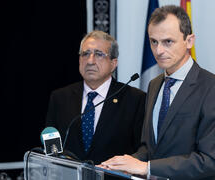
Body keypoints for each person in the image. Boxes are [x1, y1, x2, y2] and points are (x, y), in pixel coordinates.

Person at [100, 5, 215, 180]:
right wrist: (124, 163)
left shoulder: (214, 88)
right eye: (154, 41)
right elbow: (150, 148)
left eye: (168, 41)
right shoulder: (155, 85)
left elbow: (207, 161)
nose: (159, 50)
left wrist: (146, 167)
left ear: (189, 41)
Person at [46, 30, 146, 165]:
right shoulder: (60, 98)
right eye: (85, 54)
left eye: (99, 54)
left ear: (113, 63)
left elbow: (142, 151)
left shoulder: (135, 99)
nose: (90, 61)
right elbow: (51, 147)